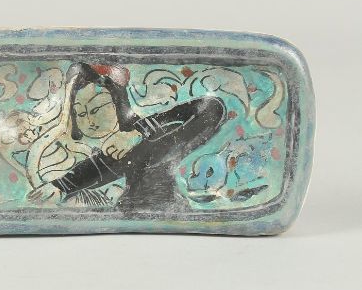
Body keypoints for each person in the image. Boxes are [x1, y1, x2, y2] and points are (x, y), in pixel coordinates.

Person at [27, 62, 226, 213]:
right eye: (80, 113)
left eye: (96, 108)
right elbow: (100, 166)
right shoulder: (117, 148)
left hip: (163, 210)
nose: (89, 121)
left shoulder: (155, 137)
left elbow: (212, 109)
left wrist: (137, 132)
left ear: (118, 104)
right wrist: (60, 186)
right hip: (130, 214)